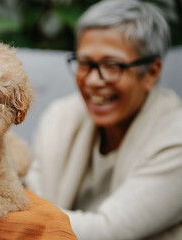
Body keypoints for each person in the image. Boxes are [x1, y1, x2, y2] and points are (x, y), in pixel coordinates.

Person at [24, 0, 182, 239]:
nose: (93, 81)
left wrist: (3, 215)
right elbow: (32, 196)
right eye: (85, 64)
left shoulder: (176, 138)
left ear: (151, 72)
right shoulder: (61, 117)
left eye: (112, 65)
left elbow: (108, 232)